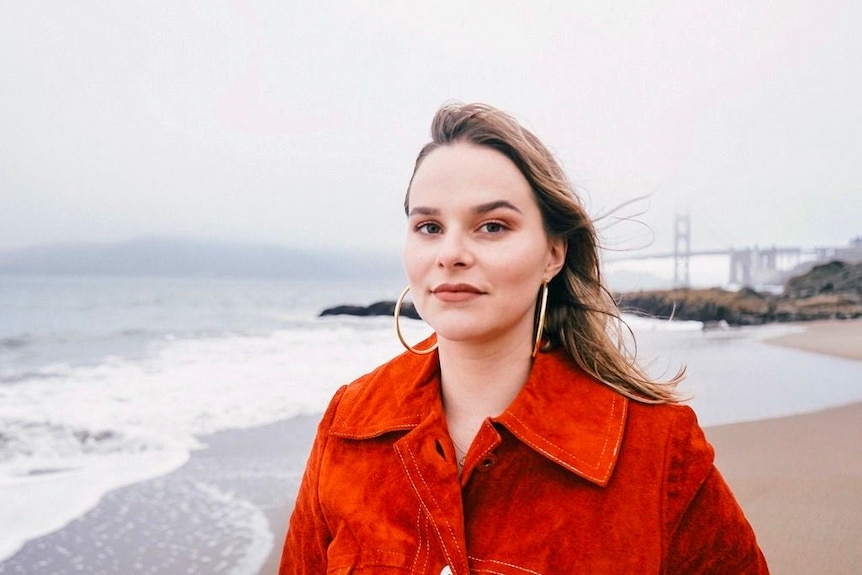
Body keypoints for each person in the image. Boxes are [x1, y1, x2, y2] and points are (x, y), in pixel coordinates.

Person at [279, 103, 768, 573]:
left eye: (492, 226)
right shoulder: (349, 425)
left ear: (553, 253)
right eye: (429, 226)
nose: (450, 253)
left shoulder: (658, 451)